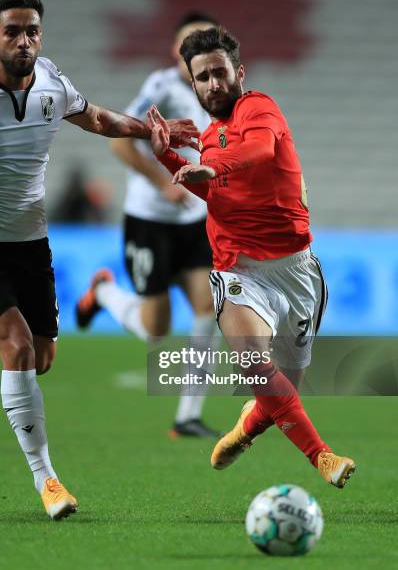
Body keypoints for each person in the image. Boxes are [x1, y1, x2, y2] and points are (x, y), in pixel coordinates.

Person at [0, 0, 199, 520]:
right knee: (14, 347)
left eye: (32, 31)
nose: (24, 40)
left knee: (41, 358)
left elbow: (100, 120)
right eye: (12, 31)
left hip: (29, 244)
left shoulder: (53, 84)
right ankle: (49, 481)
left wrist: (151, 131)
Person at [146, 26, 356, 487]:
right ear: (193, 84)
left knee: (282, 394)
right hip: (237, 268)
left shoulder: (258, 108)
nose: (213, 84)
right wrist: (168, 160)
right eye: (202, 77)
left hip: (296, 269)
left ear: (238, 72)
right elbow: (213, 192)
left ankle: (246, 427)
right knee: (256, 368)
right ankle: (322, 457)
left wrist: (211, 165)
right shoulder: (209, 136)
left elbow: (259, 151)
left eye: (219, 72)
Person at [76, 13, 221, 438]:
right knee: (155, 329)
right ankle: (103, 293)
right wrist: (163, 183)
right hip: (150, 222)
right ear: (175, 50)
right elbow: (121, 138)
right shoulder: (162, 87)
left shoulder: (216, 92)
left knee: (208, 309)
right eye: (185, 42)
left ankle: (187, 417)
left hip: (194, 220)